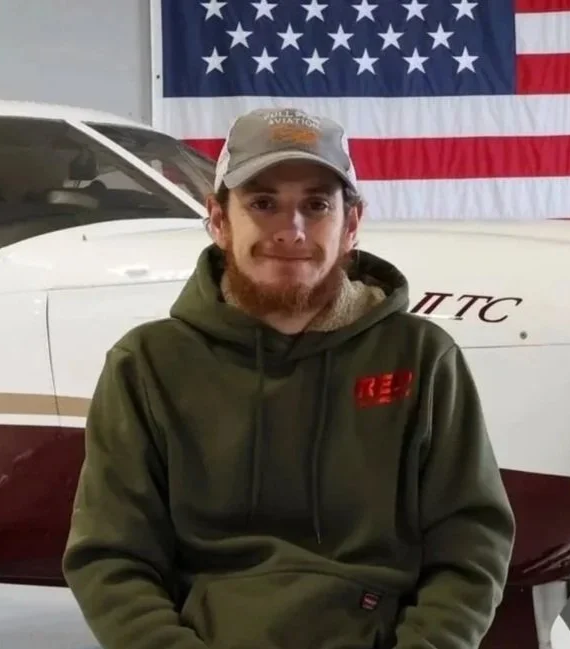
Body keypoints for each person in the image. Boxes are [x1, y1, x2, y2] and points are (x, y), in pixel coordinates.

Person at [62, 107, 516, 649]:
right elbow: (111, 557)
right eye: (263, 203)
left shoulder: (422, 356)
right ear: (219, 220)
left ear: (351, 224)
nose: (291, 229)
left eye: (316, 205)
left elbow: (470, 543)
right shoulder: (145, 364)